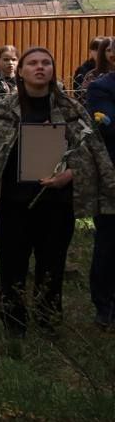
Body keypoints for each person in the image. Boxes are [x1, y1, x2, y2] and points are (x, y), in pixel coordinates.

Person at [0, 47, 115, 336]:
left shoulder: (71, 109)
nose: (40, 68)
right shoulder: (5, 110)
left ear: (53, 70)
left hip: (57, 204)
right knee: (12, 267)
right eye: (32, 63)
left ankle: (48, 322)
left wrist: (70, 174)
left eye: (46, 63)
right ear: (21, 71)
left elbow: (91, 154)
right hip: (15, 204)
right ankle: (14, 326)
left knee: (52, 267)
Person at [85, 55, 115, 327]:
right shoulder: (101, 88)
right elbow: (108, 128)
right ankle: (105, 305)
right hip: (111, 179)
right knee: (109, 243)